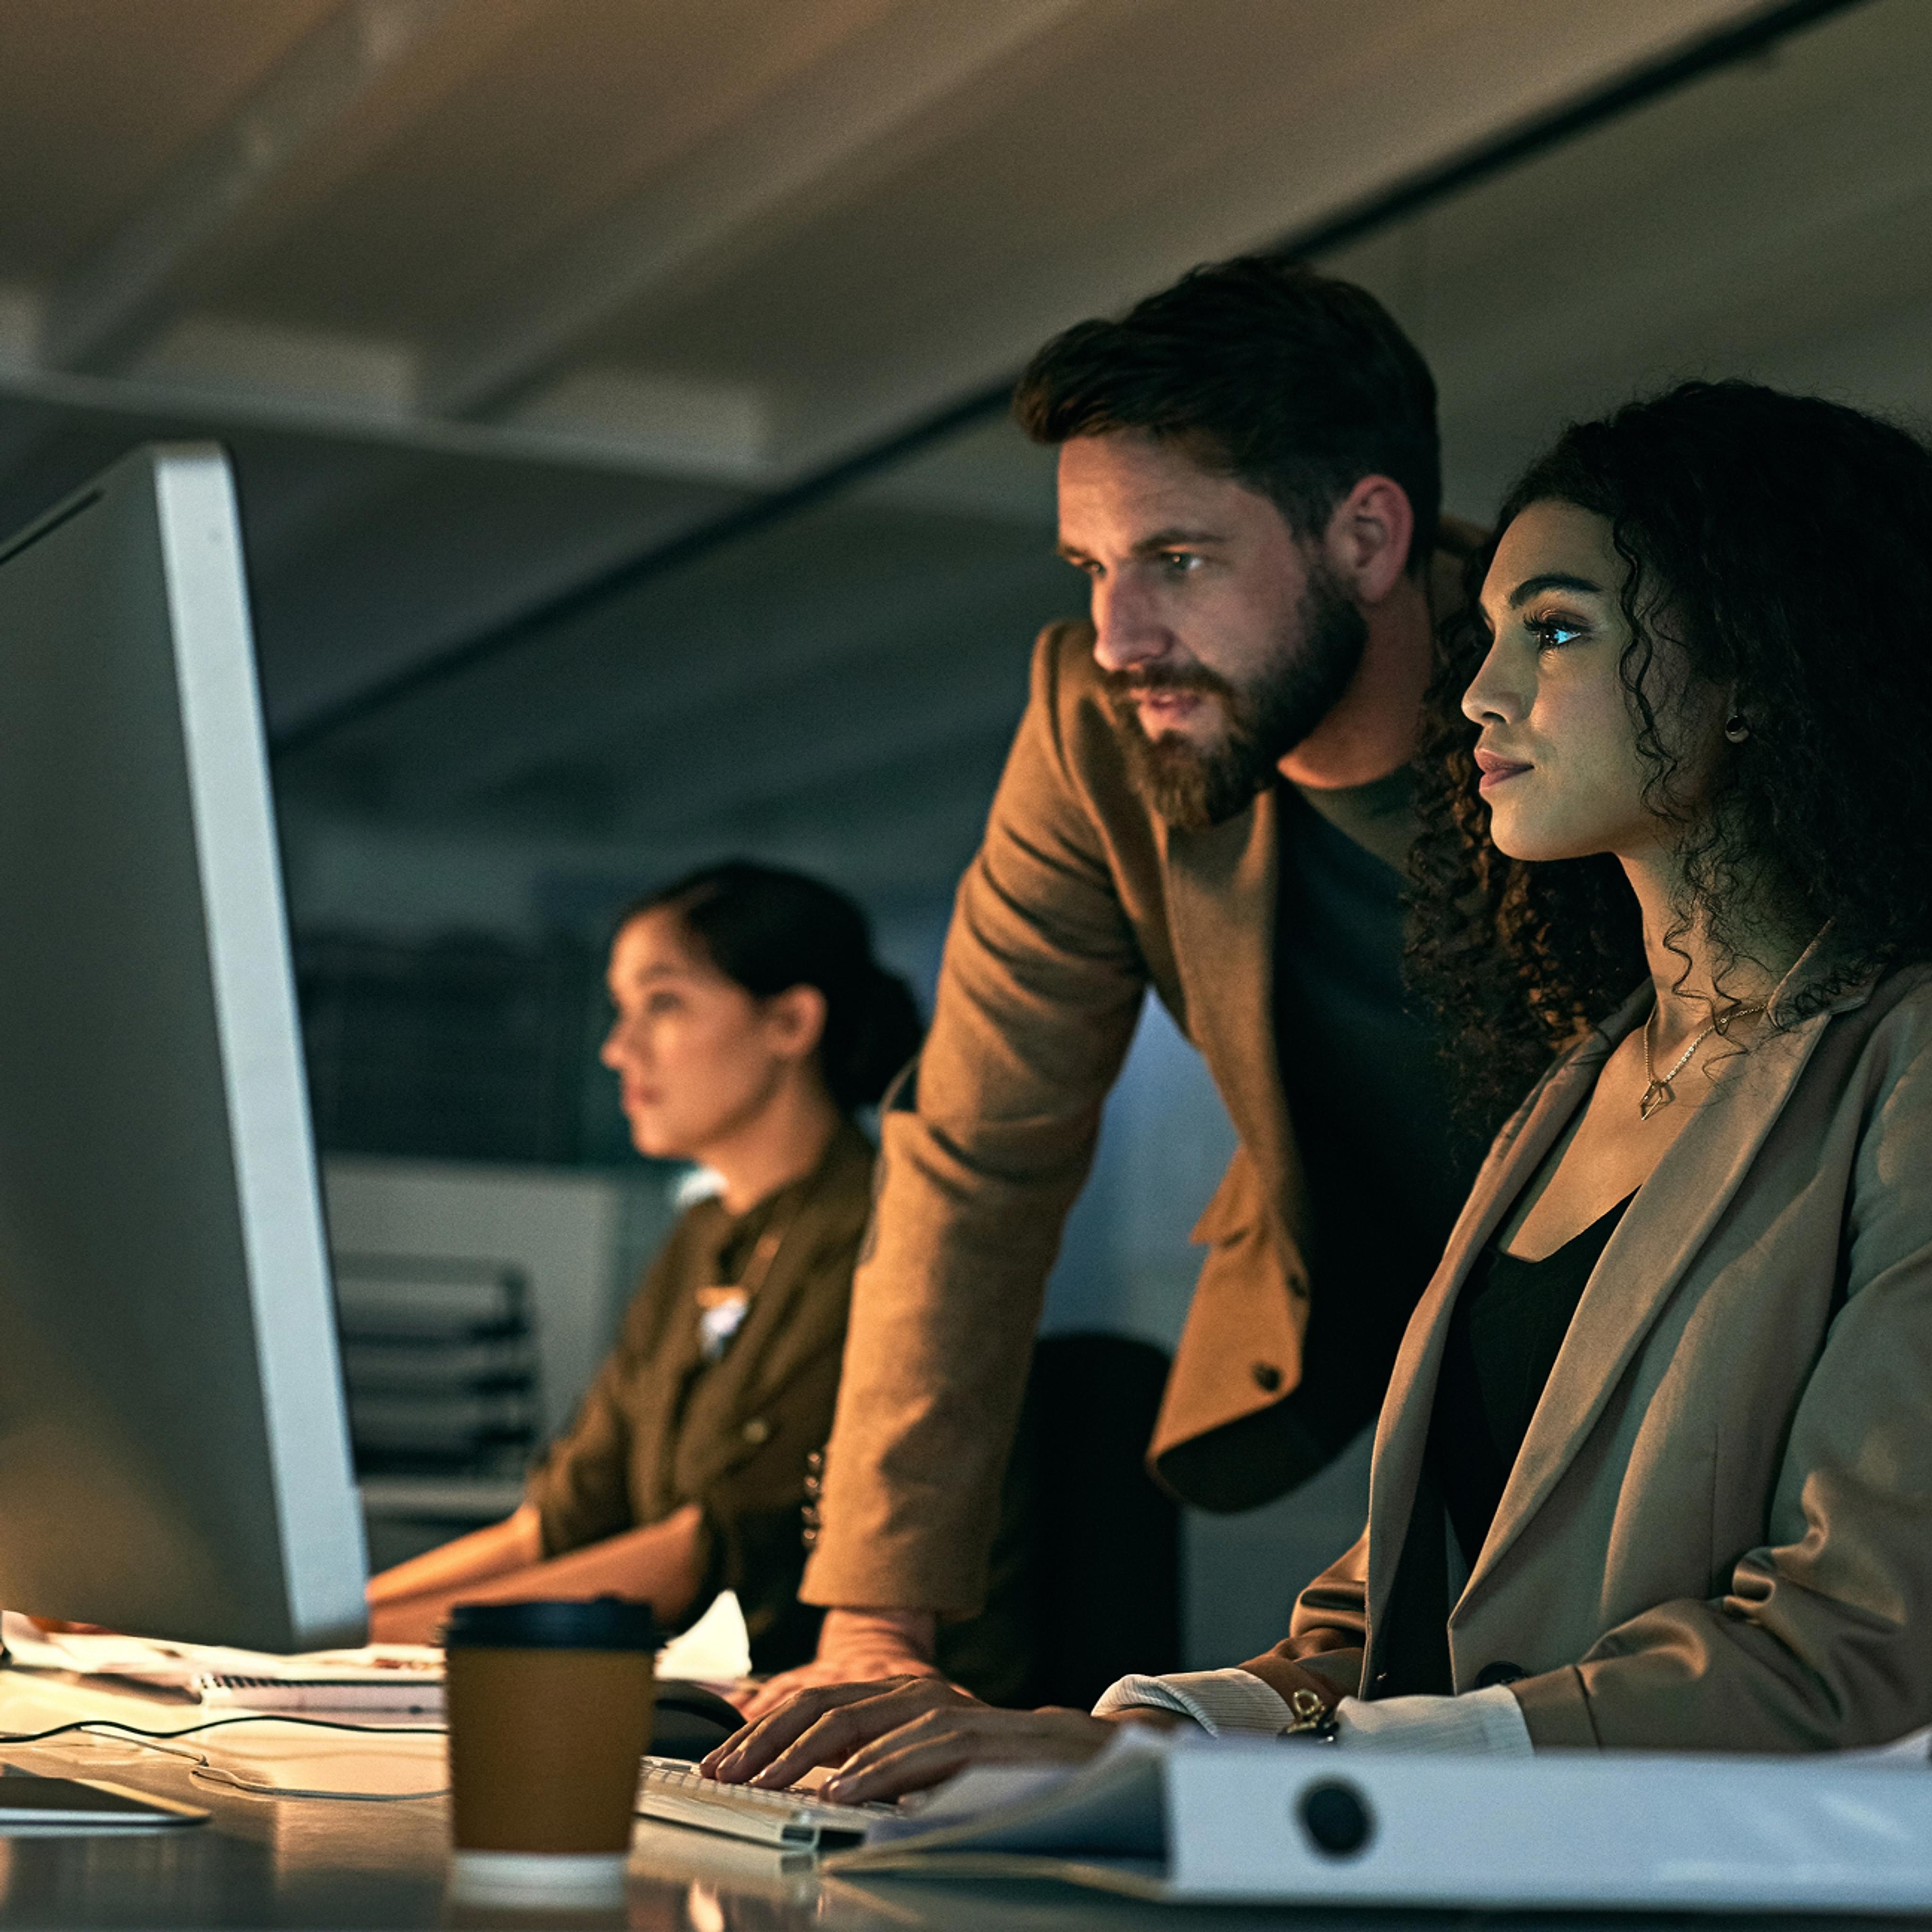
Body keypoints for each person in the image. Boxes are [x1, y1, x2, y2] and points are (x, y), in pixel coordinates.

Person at [705, 380, 1932, 1790]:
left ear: (1765, 670)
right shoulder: (1571, 1092)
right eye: (1491, 639)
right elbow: (1381, 1635)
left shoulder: (1900, 1071)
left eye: (1558, 631)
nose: (1477, 693)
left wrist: (1240, 1778)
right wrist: (1136, 1732)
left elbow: (1850, 1660)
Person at [762, 256, 1490, 1707]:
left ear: (1365, 535)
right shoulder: (1096, 729)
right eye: (1092, 570)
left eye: (1179, 560)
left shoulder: (1578, 676)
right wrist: (872, 1631)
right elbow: (976, 1159)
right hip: (1417, 1350)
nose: (1119, 637)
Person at [366, 861, 922, 1672]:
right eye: (622, 1009)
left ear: (791, 1023)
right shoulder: (704, 1232)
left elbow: (707, 1550)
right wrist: (313, 1629)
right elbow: (552, 1527)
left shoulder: (881, 1230)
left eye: (663, 1004)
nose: (618, 1048)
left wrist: (359, 1640)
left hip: (798, 1712)